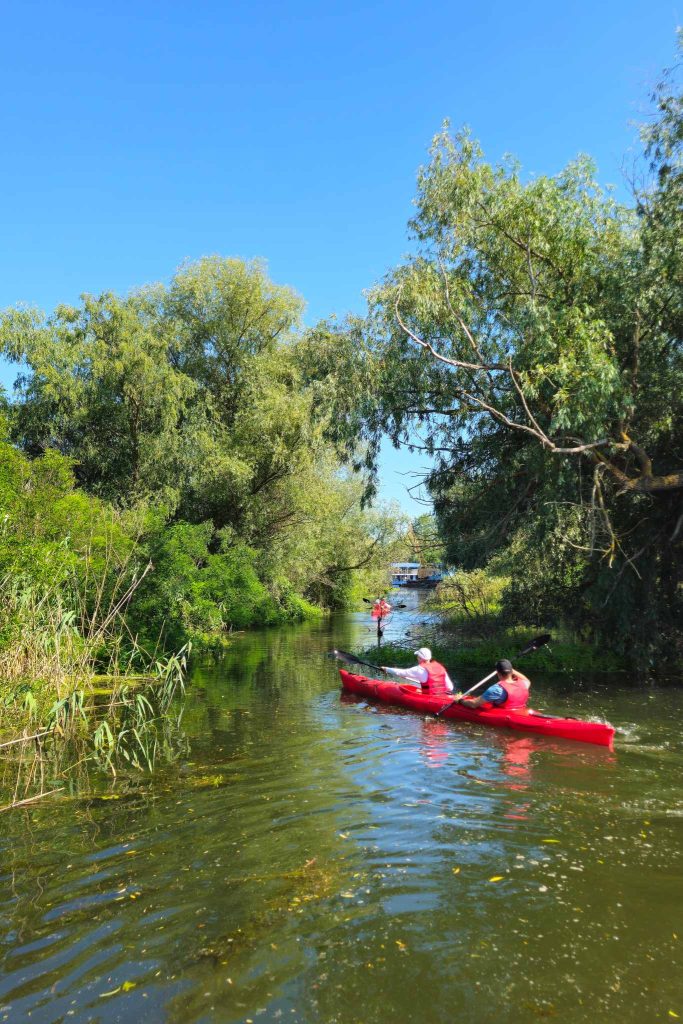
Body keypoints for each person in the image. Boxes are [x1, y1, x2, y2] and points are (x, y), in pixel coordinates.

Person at [454, 659, 530, 710]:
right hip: (519, 710)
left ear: (498, 673)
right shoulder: (524, 684)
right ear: (511, 672)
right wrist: (511, 669)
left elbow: (473, 704)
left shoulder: (496, 689)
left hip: (505, 714)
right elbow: (525, 679)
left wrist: (460, 700)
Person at [381, 647, 454, 696]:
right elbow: (450, 687)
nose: (417, 658)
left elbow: (400, 672)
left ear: (420, 658)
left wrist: (386, 669)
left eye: (417, 657)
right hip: (445, 695)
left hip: (431, 698)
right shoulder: (440, 667)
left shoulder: (419, 669)